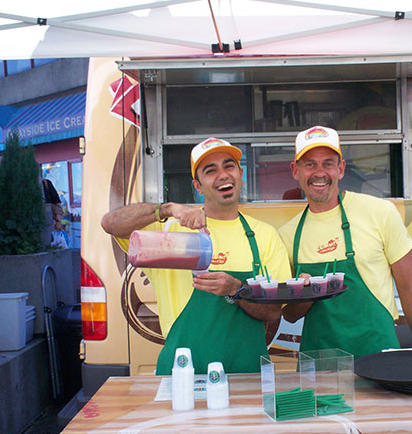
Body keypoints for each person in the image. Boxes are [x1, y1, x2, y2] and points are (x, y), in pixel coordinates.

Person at [101, 137, 291, 375]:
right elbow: (110, 223)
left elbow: (273, 312)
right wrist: (167, 209)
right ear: (198, 186)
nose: (223, 175)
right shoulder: (169, 231)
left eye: (229, 166)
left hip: (246, 374)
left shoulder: (265, 235)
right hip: (183, 374)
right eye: (210, 171)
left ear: (240, 174)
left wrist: (237, 290)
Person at [279, 126, 412, 357]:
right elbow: (290, 315)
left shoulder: (380, 213)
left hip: (379, 355)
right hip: (320, 364)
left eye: (328, 164)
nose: (319, 173)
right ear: (295, 170)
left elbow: (409, 288)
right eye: (310, 164)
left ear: (340, 169)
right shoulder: (287, 235)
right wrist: (306, 294)